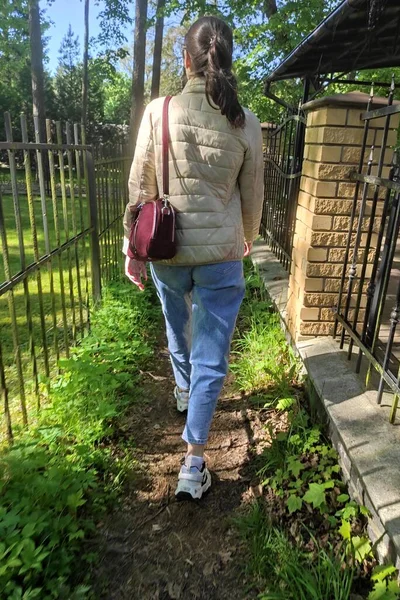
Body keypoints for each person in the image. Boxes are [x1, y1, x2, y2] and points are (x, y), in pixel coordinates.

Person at [123, 15, 264, 501]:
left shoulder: (158, 111)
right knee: (213, 353)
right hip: (221, 253)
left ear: (186, 59)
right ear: (226, 60)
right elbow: (253, 193)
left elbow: (141, 185)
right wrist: (247, 236)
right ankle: (194, 463)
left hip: (167, 248)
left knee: (173, 318)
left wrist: (131, 245)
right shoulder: (245, 122)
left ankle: (183, 391)